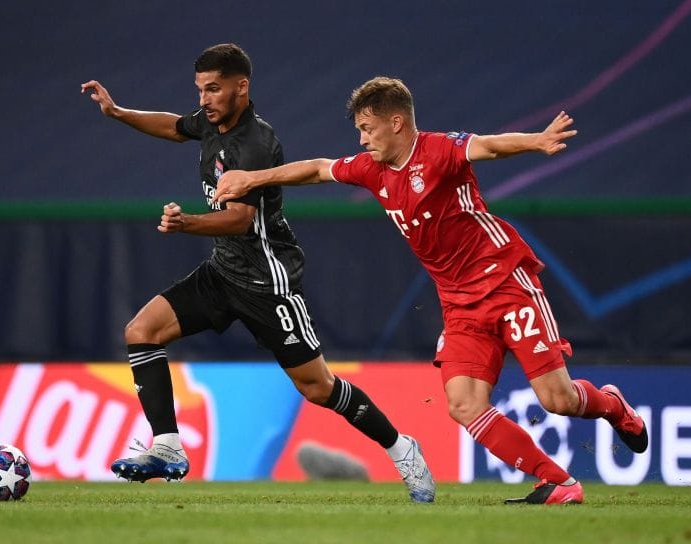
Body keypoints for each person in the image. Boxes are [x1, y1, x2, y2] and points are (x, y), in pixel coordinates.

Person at [213, 76, 649, 505]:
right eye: (359, 131)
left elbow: (491, 145)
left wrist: (537, 141)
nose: (362, 140)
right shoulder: (371, 170)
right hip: (459, 304)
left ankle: (612, 405)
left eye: (367, 128)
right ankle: (559, 483)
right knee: (463, 405)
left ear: (397, 122)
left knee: (558, 399)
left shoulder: (440, 151)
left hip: (505, 282)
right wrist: (252, 179)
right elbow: (317, 168)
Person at [81, 48, 435, 503]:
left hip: (269, 283)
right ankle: (167, 445)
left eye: (213, 88)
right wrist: (117, 112)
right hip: (222, 272)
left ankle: (402, 448)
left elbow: (240, 221)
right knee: (142, 331)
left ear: (240, 87)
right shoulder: (211, 121)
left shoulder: (255, 142)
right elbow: (174, 126)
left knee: (318, 387)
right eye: (200, 90)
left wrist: (186, 222)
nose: (205, 99)